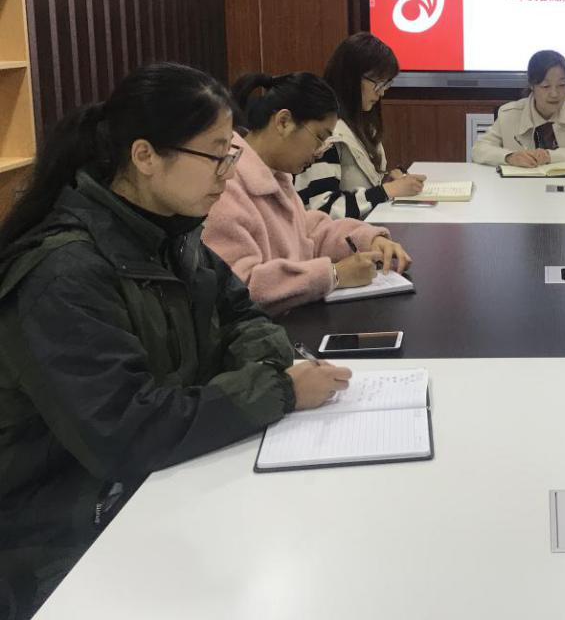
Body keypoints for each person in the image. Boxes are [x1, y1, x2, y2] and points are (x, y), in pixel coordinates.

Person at [0, 63, 350, 620]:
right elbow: (126, 431)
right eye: (216, 156)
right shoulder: (63, 273)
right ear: (145, 156)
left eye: (230, 154)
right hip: (62, 534)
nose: (228, 174)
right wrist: (280, 389)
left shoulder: (175, 233)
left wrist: (265, 370)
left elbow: (242, 316)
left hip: (159, 483)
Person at [203, 73, 410, 316]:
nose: (319, 151)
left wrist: (367, 239)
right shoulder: (225, 185)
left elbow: (307, 230)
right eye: (320, 137)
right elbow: (240, 287)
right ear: (283, 122)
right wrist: (334, 275)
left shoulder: (275, 174)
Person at [296, 32, 426, 220]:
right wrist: (386, 191)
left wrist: (386, 183)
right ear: (351, 78)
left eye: (386, 84)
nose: (381, 93)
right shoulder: (325, 132)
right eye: (378, 83)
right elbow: (323, 209)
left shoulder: (362, 125)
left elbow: (357, 188)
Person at [471, 49, 565, 168]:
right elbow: (479, 149)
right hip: (521, 186)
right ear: (532, 85)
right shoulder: (509, 114)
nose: (554, 94)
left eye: (561, 85)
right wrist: (509, 157)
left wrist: (550, 156)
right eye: (545, 86)